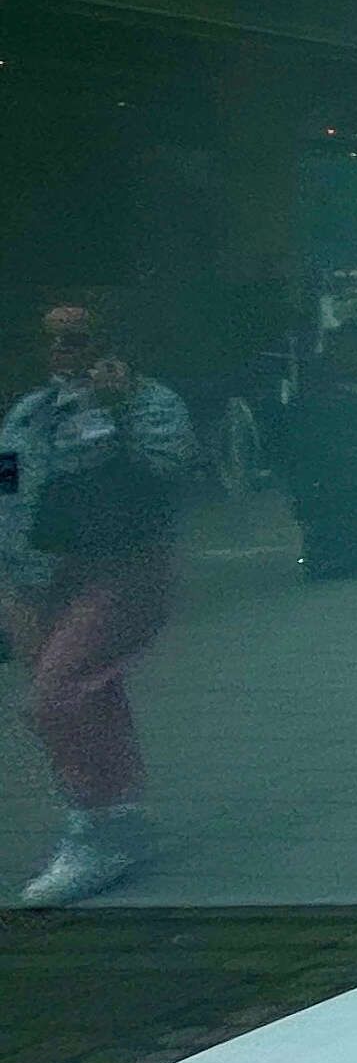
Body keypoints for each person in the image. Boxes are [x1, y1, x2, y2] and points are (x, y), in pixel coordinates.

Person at [3, 302, 193, 906]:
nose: (64, 354)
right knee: (87, 694)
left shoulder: (152, 403)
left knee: (57, 696)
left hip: (122, 568)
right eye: (53, 342)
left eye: (77, 341)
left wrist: (119, 411)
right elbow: (7, 485)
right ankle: (118, 817)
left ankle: (98, 828)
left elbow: (167, 468)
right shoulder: (32, 413)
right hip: (41, 576)